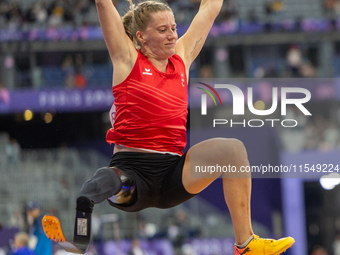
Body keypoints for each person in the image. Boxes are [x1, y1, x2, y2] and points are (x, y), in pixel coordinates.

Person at [42, 0, 295, 254]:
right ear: (140, 36)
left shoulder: (181, 59)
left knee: (234, 150)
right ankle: (78, 241)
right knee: (105, 179)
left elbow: (209, 9)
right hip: (132, 176)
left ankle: (246, 245)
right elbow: (102, 3)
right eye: (162, 30)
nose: (172, 35)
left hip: (174, 175)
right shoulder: (127, 59)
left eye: (173, 27)